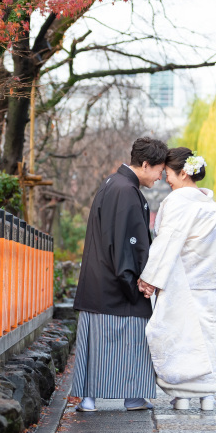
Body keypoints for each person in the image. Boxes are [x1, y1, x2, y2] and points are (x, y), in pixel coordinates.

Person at [71, 137, 168, 412]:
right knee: (133, 339)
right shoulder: (126, 190)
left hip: (99, 279)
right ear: (146, 164)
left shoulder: (114, 183)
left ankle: (90, 397)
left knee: (98, 344)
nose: (160, 177)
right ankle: (132, 396)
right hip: (115, 279)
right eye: (159, 170)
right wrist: (134, 282)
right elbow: (126, 243)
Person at [139, 147, 216, 411]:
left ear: (183, 173)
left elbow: (167, 243)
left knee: (181, 337)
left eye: (168, 174)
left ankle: (182, 395)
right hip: (210, 286)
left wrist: (150, 279)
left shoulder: (177, 202)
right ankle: (208, 396)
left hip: (182, 283)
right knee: (208, 337)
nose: (166, 180)